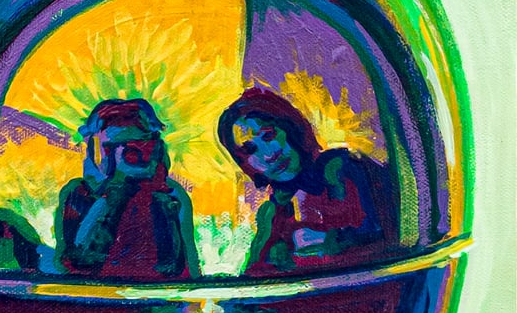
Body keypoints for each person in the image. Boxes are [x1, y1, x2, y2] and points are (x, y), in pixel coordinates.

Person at [217, 88, 394, 275]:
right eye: (251, 150)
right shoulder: (272, 211)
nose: (269, 155)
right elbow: (255, 275)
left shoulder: (338, 168)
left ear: (289, 128)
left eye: (269, 136)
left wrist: (326, 240)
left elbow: (380, 240)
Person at [55, 99, 199, 280]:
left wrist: (155, 185)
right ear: (92, 146)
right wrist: (110, 194)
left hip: (160, 291)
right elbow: (76, 259)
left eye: (137, 146)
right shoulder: (78, 194)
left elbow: (187, 268)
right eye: (111, 148)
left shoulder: (171, 195)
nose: (126, 155)